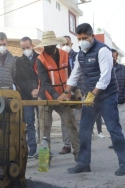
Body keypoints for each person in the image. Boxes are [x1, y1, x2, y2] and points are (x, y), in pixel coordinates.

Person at [59, 23, 125, 176]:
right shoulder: (80, 54)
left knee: (114, 130)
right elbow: (75, 75)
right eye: (79, 38)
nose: (82, 41)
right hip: (91, 97)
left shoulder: (103, 50)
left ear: (92, 36)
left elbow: (105, 77)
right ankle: (84, 163)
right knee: (84, 131)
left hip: (107, 96)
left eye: (84, 38)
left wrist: (92, 94)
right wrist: (66, 92)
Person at [36, 31, 80, 161]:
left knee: (71, 124)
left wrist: (75, 90)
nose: (47, 48)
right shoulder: (40, 59)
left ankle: (79, 155)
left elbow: (72, 75)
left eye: (50, 45)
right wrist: (57, 96)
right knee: (44, 129)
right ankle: (45, 159)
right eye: (46, 46)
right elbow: (44, 82)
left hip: (64, 95)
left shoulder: (65, 55)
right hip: (45, 97)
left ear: (55, 44)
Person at [58, 35, 83, 154]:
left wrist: (80, 90)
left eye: (67, 44)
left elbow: (82, 75)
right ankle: (66, 145)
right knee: (64, 119)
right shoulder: (58, 57)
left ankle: (79, 144)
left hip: (76, 91)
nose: (65, 46)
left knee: (77, 119)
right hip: (63, 92)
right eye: (63, 44)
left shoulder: (78, 56)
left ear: (71, 44)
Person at [15, 37, 39, 158]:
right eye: (23, 48)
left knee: (44, 122)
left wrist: (38, 90)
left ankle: (45, 146)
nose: (26, 50)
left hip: (41, 95)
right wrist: (30, 91)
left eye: (27, 47)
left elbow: (44, 76)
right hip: (26, 95)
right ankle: (32, 148)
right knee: (29, 122)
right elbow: (19, 80)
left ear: (32, 45)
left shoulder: (40, 57)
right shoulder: (19, 62)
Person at [108, 49, 125, 152]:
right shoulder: (103, 67)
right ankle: (116, 143)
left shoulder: (123, 69)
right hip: (108, 101)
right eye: (110, 57)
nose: (112, 59)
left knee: (124, 122)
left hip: (121, 100)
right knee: (112, 123)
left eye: (114, 57)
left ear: (117, 57)